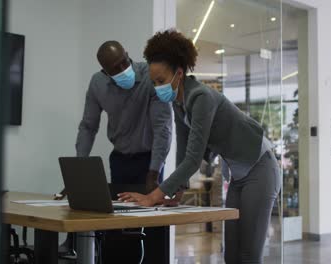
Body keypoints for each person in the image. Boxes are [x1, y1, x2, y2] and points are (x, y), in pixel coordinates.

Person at [118, 30, 281, 264]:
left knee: (248, 255)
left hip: (261, 168)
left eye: (161, 80)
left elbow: (194, 160)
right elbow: (184, 152)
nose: (157, 87)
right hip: (239, 174)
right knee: (231, 255)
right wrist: (177, 193)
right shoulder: (178, 103)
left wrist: (153, 196)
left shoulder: (201, 97)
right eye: (154, 83)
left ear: (179, 73)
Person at [58, 41, 173, 262]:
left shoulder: (150, 77)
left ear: (128, 55)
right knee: (118, 227)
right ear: (105, 71)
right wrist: (79, 168)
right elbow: (88, 126)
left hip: (150, 161)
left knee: (154, 228)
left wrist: (154, 172)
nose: (122, 70)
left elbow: (163, 129)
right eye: (115, 69)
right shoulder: (98, 83)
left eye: (124, 63)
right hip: (120, 160)